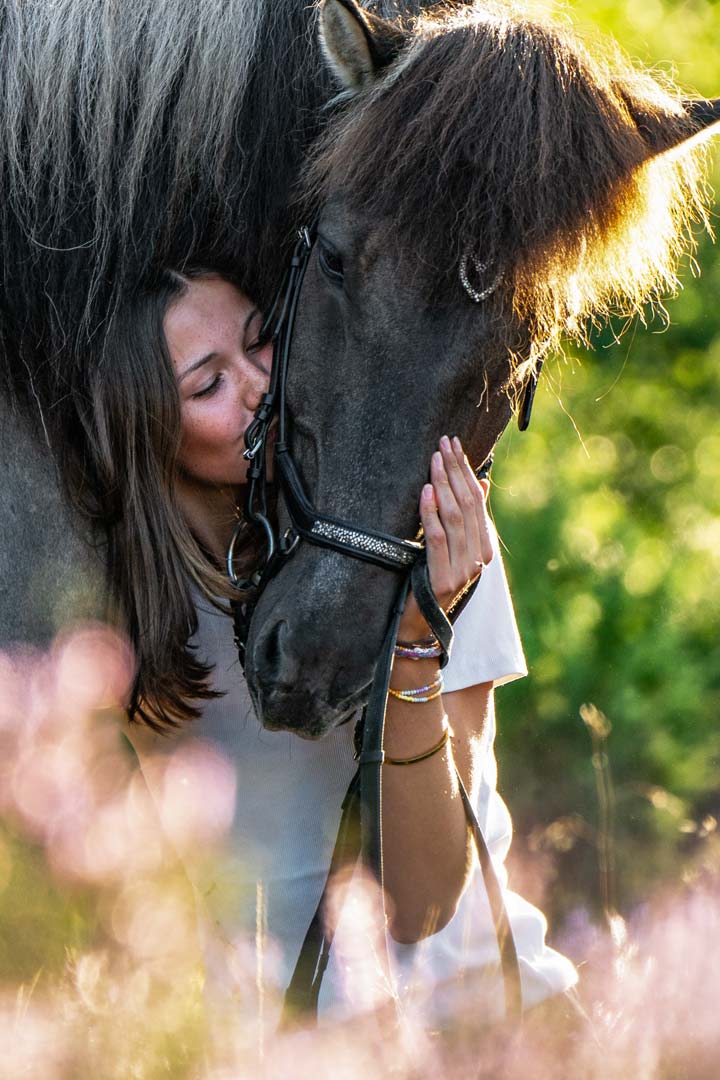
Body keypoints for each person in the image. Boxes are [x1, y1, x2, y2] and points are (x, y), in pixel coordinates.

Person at [114, 268, 578, 1029]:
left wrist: (418, 638)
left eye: (264, 344)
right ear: (145, 426)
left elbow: (424, 902)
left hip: (483, 1027)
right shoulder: (135, 600)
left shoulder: (424, 532)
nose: (262, 386)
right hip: (276, 1049)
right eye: (209, 387)